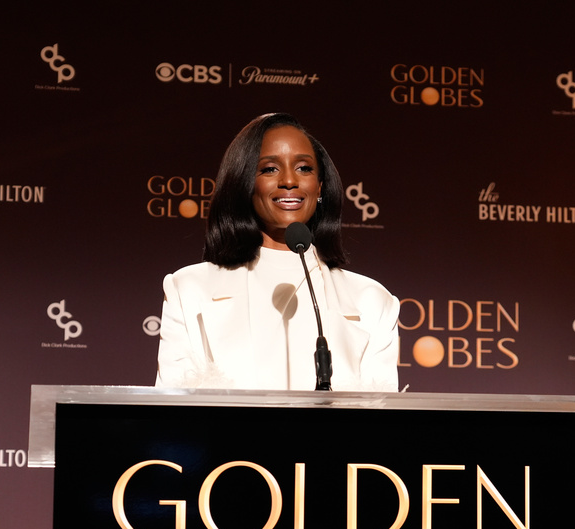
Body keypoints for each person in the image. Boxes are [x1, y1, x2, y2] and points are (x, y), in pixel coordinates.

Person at [155, 113, 399, 391]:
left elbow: (380, 424)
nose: (289, 181)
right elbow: (174, 414)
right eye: (270, 169)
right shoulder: (189, 289)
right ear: (244, 183)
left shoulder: (372, 301)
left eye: (304, 168)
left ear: (319, 187)